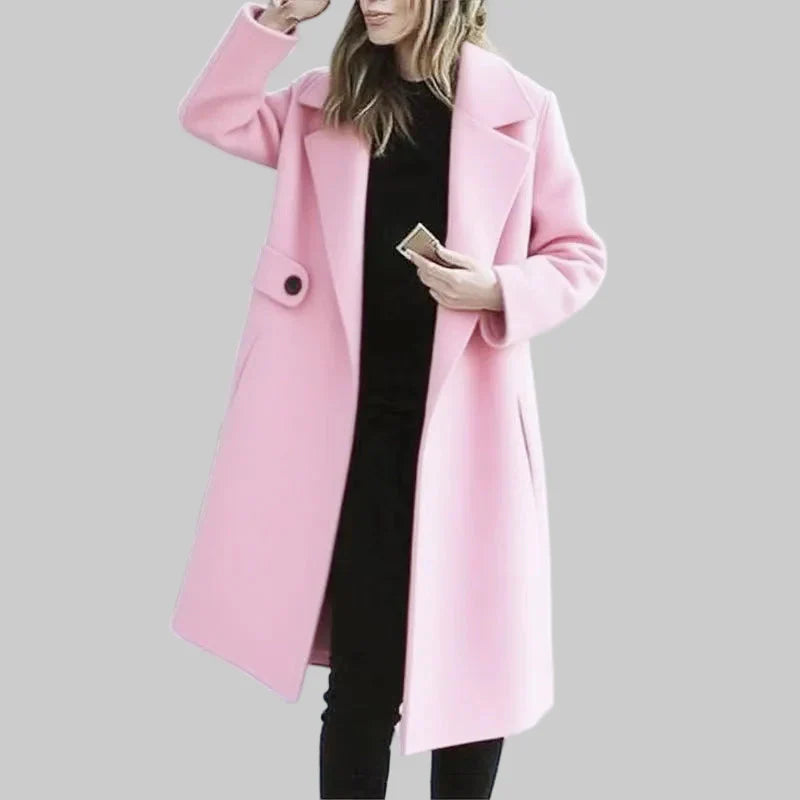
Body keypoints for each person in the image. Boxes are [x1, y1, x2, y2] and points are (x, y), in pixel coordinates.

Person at [174, 1, 606, 798]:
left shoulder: (524, 110)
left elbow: (578, 254)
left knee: (474, 684)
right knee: (364, 681)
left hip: (466, 435)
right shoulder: (326, 101)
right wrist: (279, 16)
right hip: (352, 439)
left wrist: (497, 288)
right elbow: (213, 112)